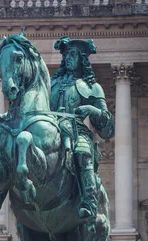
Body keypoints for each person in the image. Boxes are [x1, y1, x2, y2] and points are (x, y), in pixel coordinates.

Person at [50, 36, 114, 226]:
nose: (68, 58)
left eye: (72, 54)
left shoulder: (92, 87)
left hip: (78, 132)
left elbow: (108, 125)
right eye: (66, 55)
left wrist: (91, 110)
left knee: (83, 153)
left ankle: (89, 202)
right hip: (52, 129)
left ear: (81, 59)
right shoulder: (51, 85)